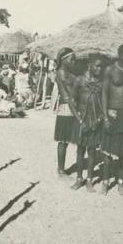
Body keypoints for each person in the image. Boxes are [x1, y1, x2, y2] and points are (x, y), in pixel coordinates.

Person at [101, 44, 123, 195]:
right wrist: (105, 117)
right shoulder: (110, 70)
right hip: (112, 114)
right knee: (108, 151)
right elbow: (104, 94)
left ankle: (120, 182)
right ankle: (105, 181)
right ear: (121, 55)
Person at [70, 55, 105, 192]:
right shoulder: (79, 80)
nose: (99, 69)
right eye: (96, 65)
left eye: (101, 66)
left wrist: (98, 120)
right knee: (80, 150)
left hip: (95, 120)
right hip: (81, 120)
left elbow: (104, 105)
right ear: (89, 65)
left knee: (92, 150)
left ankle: (89, 179)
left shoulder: (101, 84)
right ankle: (79, 178)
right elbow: (72, 103)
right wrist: (80, 121)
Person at [54, 47, 82, 177]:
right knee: (63, 140)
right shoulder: (61, 73)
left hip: (74, 106)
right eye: (71, 59)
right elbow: (69, 95)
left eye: (75, 60)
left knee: (72, 140)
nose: (74, 62)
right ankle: (61, 169)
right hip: (66, 108)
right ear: (64, 60)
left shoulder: (71, 74)